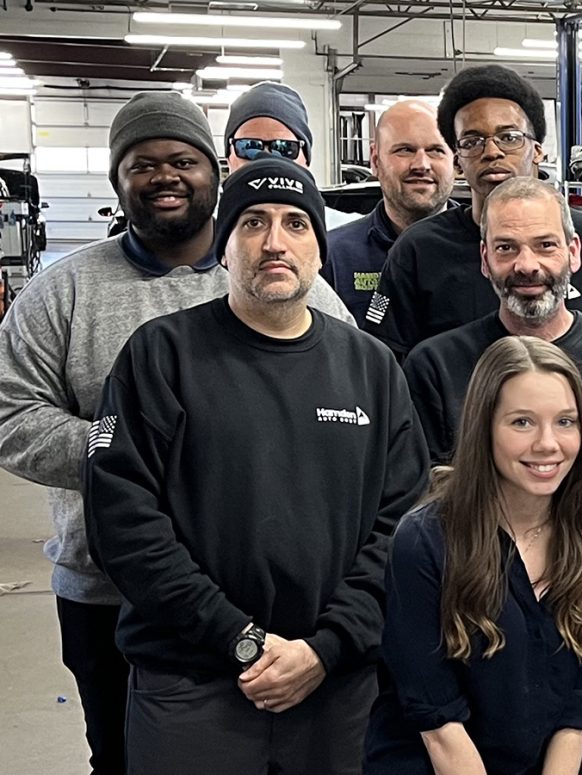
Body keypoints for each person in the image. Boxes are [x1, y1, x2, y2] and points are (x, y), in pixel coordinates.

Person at [0, 92, 352, 775]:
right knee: (125, 757)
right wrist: (130, 457)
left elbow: (350, 400)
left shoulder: (283, 276)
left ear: (214, 173)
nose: (166, 176)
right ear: (117, 180)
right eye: (143, 163)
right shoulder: (64, 292)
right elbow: (11, 413)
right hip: (109, 591)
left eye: (184, 160)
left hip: (275, 593)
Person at [80, 156, 429, 773]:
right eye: (253, 223)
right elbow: (123, 521)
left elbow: (400, 526)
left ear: (319, 250)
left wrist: (326, 648)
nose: (275, 243)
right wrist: (237, 638)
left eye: (296, 224)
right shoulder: (160, 356)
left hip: (337, 687)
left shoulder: (372, 369)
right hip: (191, 686)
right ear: (223, 246)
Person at [400, 178, 582, 774]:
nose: (527, 265)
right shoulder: (435, 365)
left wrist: (579, 581)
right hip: (465, 634)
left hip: (579, 621)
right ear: (484, 258)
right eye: (507, 248)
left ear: (574, 252)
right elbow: (423, 507)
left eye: (544, 245)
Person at [367, 336, 582, 774]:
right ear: (483, 426)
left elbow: (577, 709)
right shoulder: (424, 541)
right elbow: (439, 723)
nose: (548, 443)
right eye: (522, 422)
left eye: (565, 421)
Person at [365, 65, 582, 357]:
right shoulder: (417, 249)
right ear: (458, 161)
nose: (492, 152)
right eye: (472, 142)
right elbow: (386, 362)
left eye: (509, 137)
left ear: (537, 150)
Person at [324, 100, 456, 323]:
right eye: (405, 150)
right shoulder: (332, 257)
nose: (421, 165)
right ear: (375, 161)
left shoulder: (486, 247)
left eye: (436, 150)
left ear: (455, 161)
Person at [224, 81, 362, 229]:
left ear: (306, 160)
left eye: (284, 148)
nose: (266, 158)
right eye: (249, 147)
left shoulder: (349, 233)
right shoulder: (207, 232)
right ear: (228, 158)